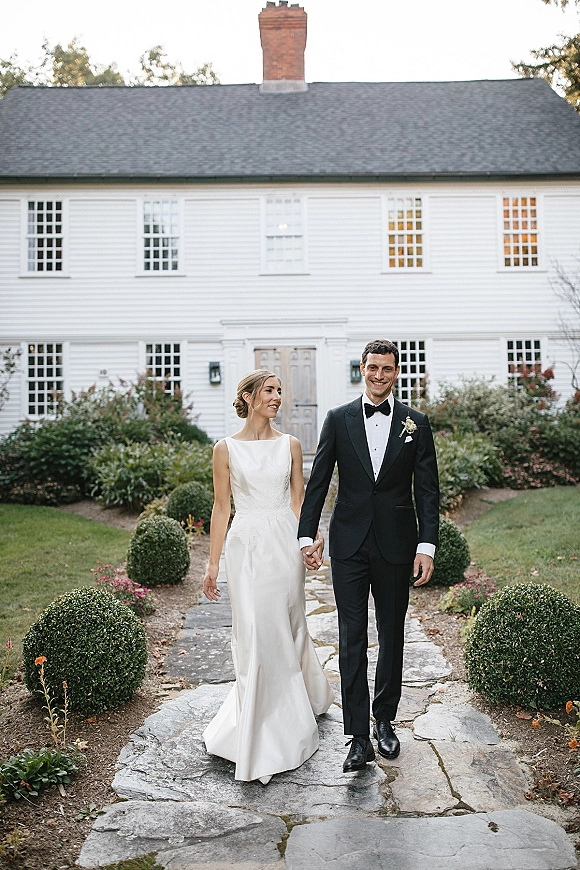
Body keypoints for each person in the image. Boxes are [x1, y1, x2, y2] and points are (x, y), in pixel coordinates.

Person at [298, 339, 440, 773]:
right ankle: (357, 736)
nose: (379, 375)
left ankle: (384, 721)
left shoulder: (416, 423)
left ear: (397, 372)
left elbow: (427, 490)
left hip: (398, 546)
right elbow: (318, 480)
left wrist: (426, 546)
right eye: (372, 367)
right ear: (362, 368)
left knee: (392, 636)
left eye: (387, 369)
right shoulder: (338, 419)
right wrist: (307, 535)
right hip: (349, 545)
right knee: (351, 637)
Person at [202, 369, 334, 785]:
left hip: (283, 544)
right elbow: (222, 509)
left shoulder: (291, 445)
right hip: (246, 548)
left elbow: (299, 500)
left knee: (287, 622)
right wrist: (212, 564)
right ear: (248, 396)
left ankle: (294, 707)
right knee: (255, 629)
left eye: (280, 391)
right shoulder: (224, 449)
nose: (277, 397)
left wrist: (310, 540)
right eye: (270, 391)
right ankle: (257, 721)